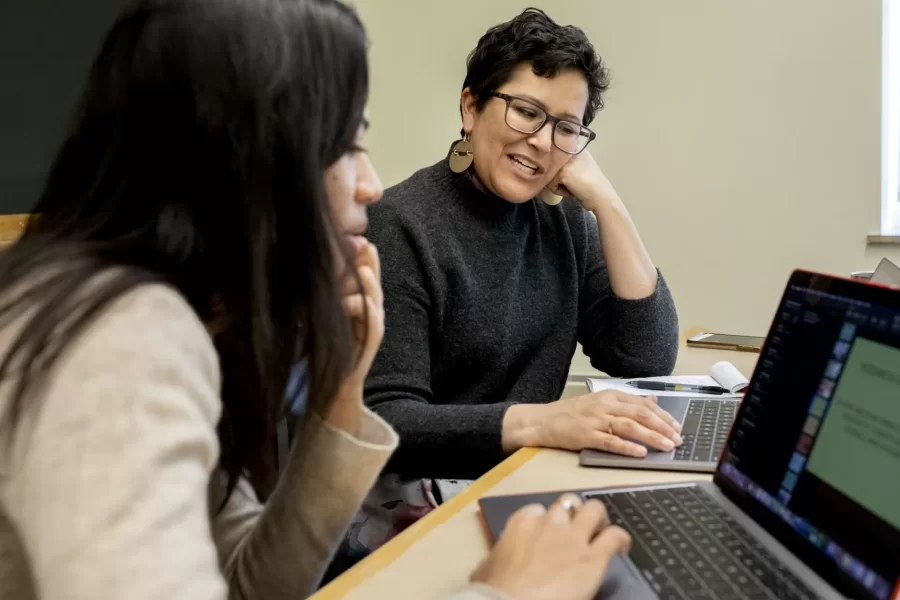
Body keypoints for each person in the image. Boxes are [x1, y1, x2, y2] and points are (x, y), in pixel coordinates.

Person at [0, 1, 632, 599]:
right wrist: (502, 592)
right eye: (346, 144)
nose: (370, 185)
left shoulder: (186, 315)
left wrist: (341, 398)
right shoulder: (124, 342)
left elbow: (250, 586)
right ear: (242, 151)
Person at [350, 7, 682, 558]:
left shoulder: (565, 222)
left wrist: (608, 204)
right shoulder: (399, 224)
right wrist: (547, 422)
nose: (542, 142)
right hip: (419, 507)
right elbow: (389, 421)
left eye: (566, 128)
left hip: (524, 488)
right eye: (526, 112)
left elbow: (644, 354)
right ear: (471, 105)